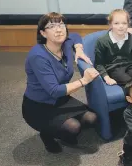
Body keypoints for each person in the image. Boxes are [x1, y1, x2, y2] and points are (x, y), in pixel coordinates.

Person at [22, 12, 99, 153]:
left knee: (92, 118)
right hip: (38, 106)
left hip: (60, 99)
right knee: (73, 127)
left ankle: (59, 129)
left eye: (61, 25)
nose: (58, 29)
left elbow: (75, 36)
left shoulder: (65, 45)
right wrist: (84, 80)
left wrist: (79, 49)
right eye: (52, 26)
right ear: (43, 33)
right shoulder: (38, 56)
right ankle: (46, 134)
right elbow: (54, 91)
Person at [94, 9, 132, 86]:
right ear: (110, 25)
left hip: (129, 65)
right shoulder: (102, 41)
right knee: (130, 83)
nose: (121, 26)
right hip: (112, 68)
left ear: (128, 24)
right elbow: (99, 64)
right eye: (116, 23)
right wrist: (106, 77)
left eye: (124, 23)